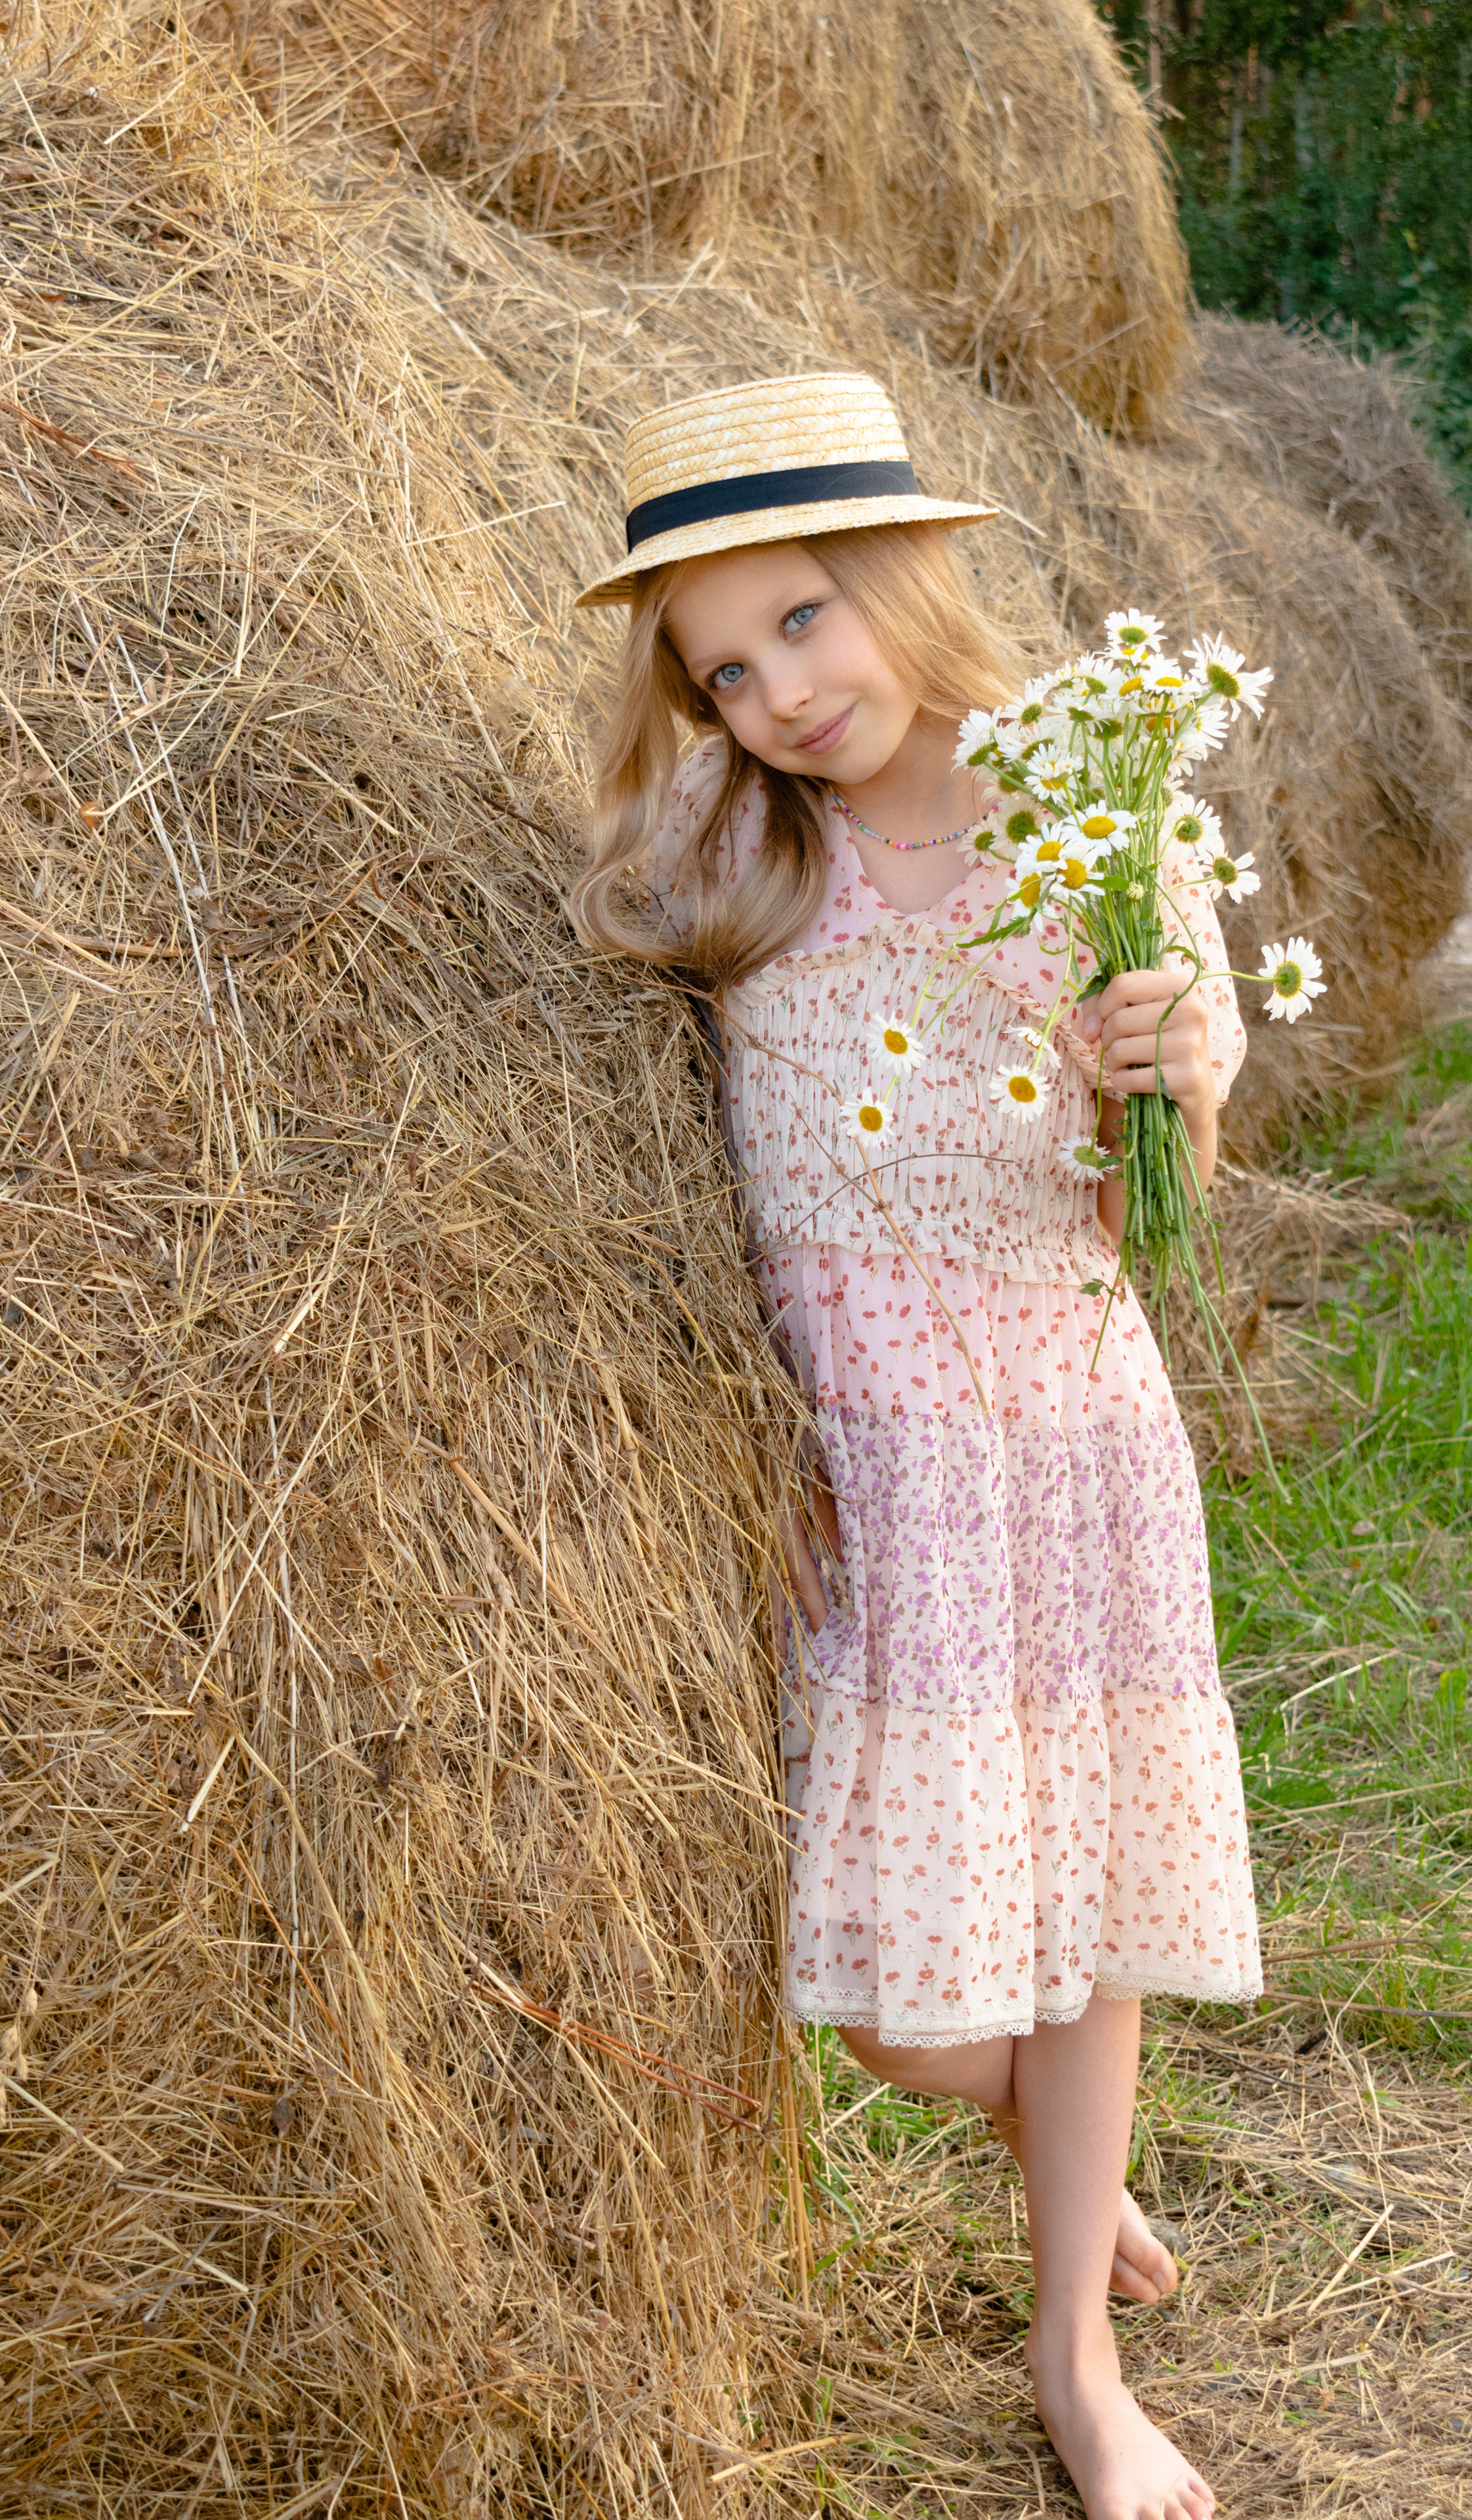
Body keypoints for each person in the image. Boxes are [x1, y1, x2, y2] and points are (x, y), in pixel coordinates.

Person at [570, 373, 1262, 2520]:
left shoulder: (1100, 810)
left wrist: (1161, 1075)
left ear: (900, 576)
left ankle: (1077, 2359)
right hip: (858, 1471)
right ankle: (1051, 2143)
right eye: (721, 666)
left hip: (1056, 1437)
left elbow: (1189, 1162)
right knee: (892, 1996)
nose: (775, 692)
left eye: (800, 621)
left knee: (1078, 1906)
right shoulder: (722, 839)